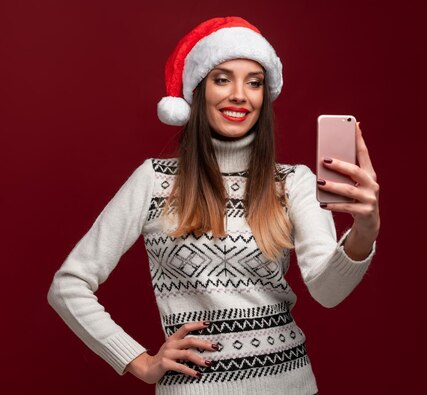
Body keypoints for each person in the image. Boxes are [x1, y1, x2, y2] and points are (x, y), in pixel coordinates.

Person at [48, 16, 380, 395]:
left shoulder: (293, 182)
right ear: (199, 89)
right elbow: (68, 285)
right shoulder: (155, 180)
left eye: (254, 82)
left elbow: (328, 291)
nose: (240, 94)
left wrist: (365, 232)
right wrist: (138, 361)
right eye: (222, 79)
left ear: (264, 96)